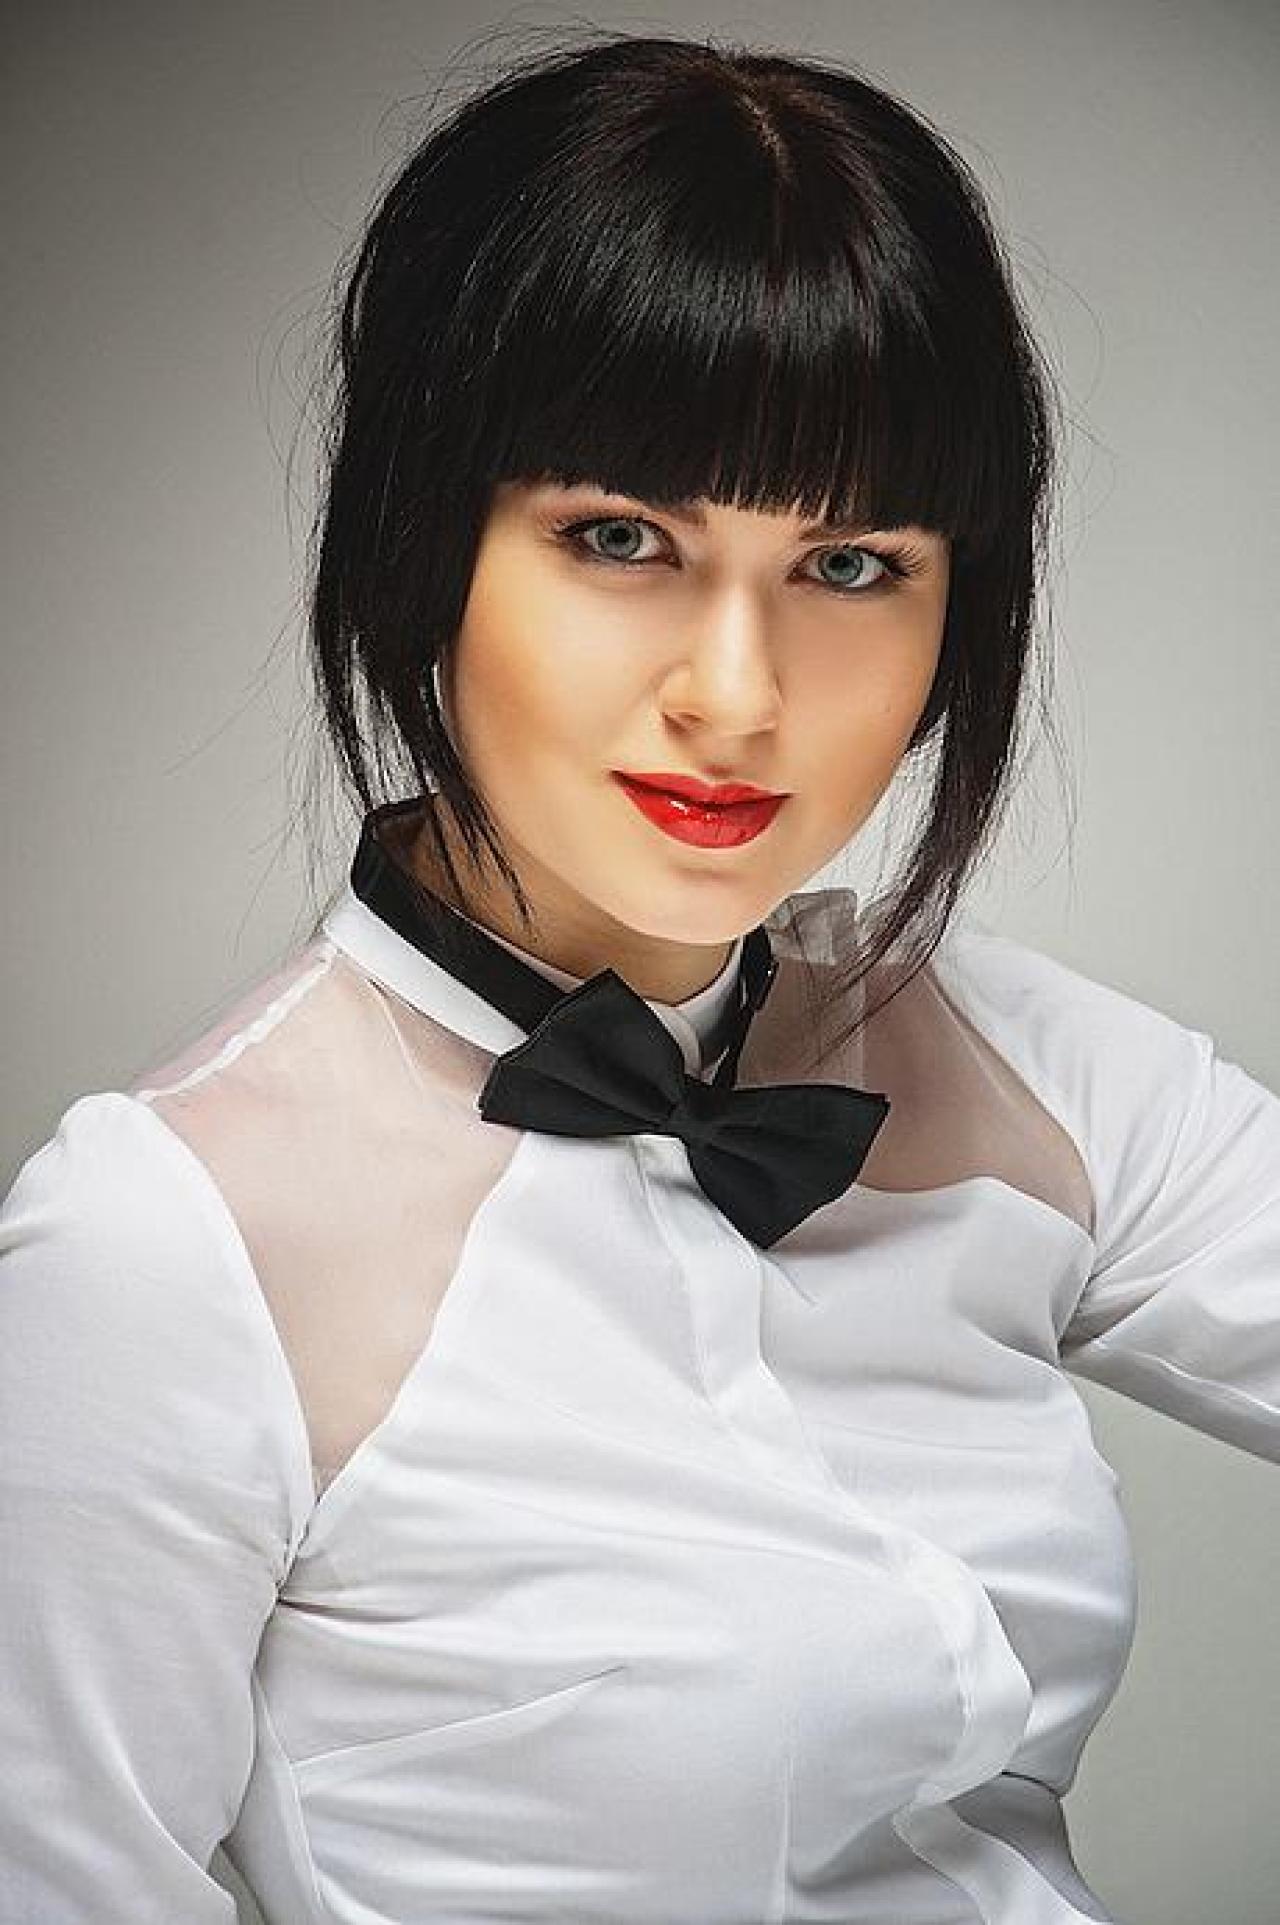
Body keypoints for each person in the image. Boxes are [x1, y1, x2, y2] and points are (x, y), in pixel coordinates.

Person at [2, 28, 1277, 1925]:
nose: (737, 696)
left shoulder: (1016, 1067)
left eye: (853, 565)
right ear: (427, 539)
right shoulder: (169, 1241)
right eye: (621, 540)